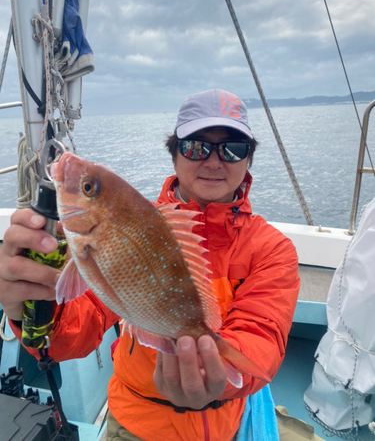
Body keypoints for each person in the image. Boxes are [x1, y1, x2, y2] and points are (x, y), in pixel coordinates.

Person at [0, 89, 300, 441]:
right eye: (196, 147)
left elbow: (259, 339)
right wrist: (32, 311)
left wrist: (217, 373)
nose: (214, 161)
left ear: (248, 160)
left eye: (233, 149)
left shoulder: (273, 249)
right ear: (174, 155)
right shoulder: (129, 227)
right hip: (136, 423)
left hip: (227, 426)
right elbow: (74, 331)